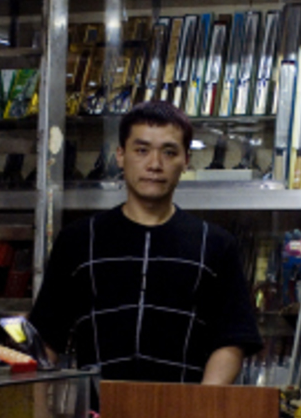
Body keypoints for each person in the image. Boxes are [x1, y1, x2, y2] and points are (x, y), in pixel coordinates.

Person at [29, 101, 262, 385]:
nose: (154, 165)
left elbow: (231, 341)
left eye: (169, 152)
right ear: (120, 155)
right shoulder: (78, 240)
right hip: (95, 409)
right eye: (141, 150)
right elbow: (46, 340)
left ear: (186, 161)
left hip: (184, 408)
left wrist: (201, 406)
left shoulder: (216, 245)